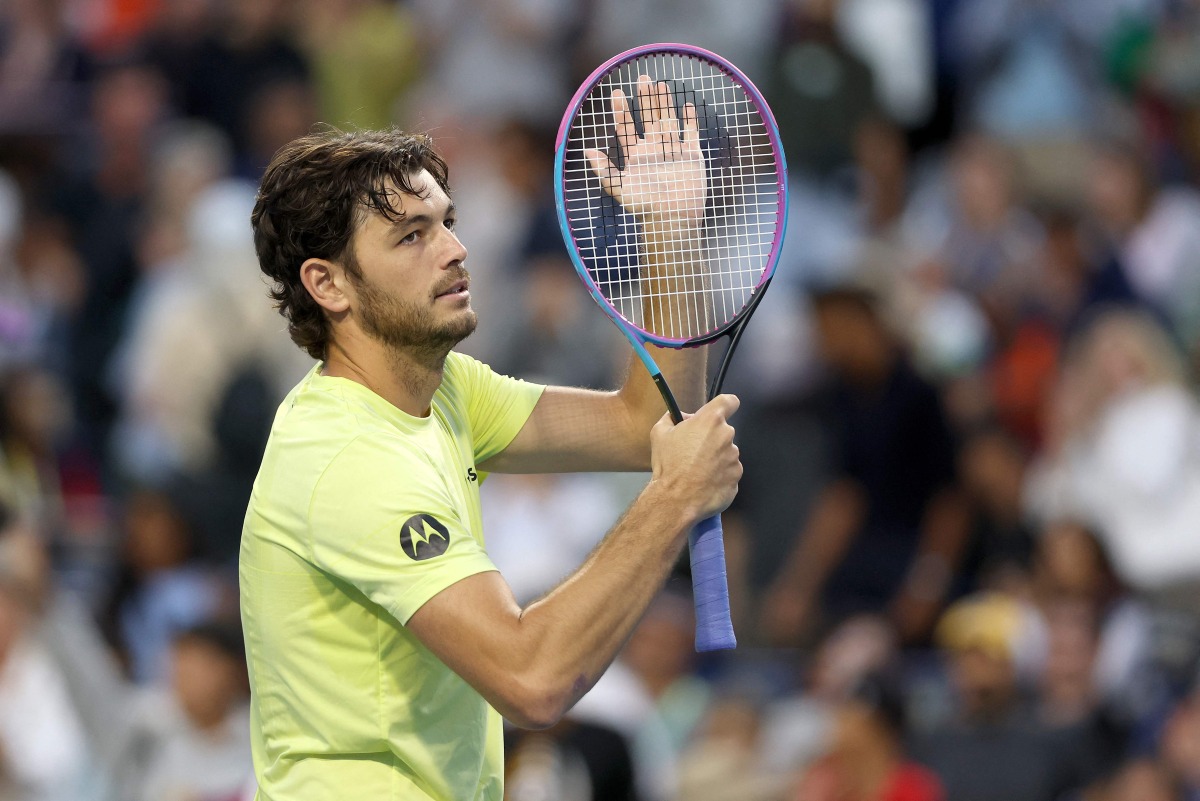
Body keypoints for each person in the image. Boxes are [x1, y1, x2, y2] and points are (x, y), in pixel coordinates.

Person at [240, 76, 742, 801]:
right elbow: (533, 679)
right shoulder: (348, 460)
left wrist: (666, 229)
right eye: (412, 235)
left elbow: (643, 423)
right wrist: (672, 499)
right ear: (328, 284)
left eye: (446, 221)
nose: (454, 249)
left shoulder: (444, 389)